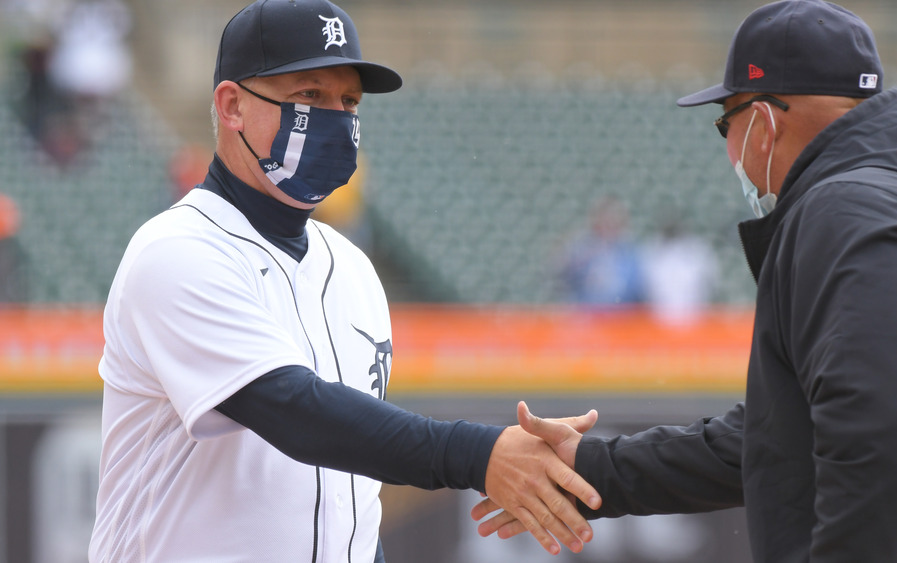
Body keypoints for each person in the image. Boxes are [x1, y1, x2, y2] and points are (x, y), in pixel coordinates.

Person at [474, 1, 897, 561]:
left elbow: (884, 431)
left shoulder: (848, 208)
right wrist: (596, 465)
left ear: (766, 119)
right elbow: (782, 438)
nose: (728, 147)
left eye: (726, 122)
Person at [88, 2, 601, 562]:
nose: (337, 116)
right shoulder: (179, 250)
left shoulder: (352, 269)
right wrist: (480, 455)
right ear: (232, 105)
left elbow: (347, 492)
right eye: (310, 95)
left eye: (349, 101)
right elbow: (295, 413)